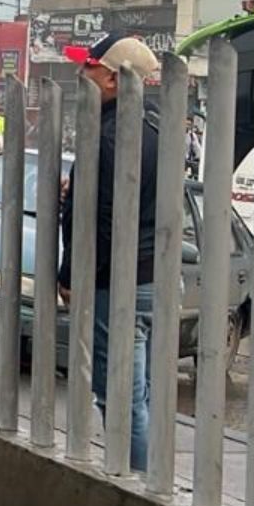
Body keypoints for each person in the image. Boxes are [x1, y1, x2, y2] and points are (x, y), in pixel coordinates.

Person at [57, 32, 161, 472]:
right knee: (142, 395)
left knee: (118, 397)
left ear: (115, 79)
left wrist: (71, 275)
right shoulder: (156, 128)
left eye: (91, 67)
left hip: (116, 281)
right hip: (153, 275)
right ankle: (148, 480)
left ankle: (132, 485)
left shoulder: (110, 135)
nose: (82, 74)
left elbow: (101, 217)